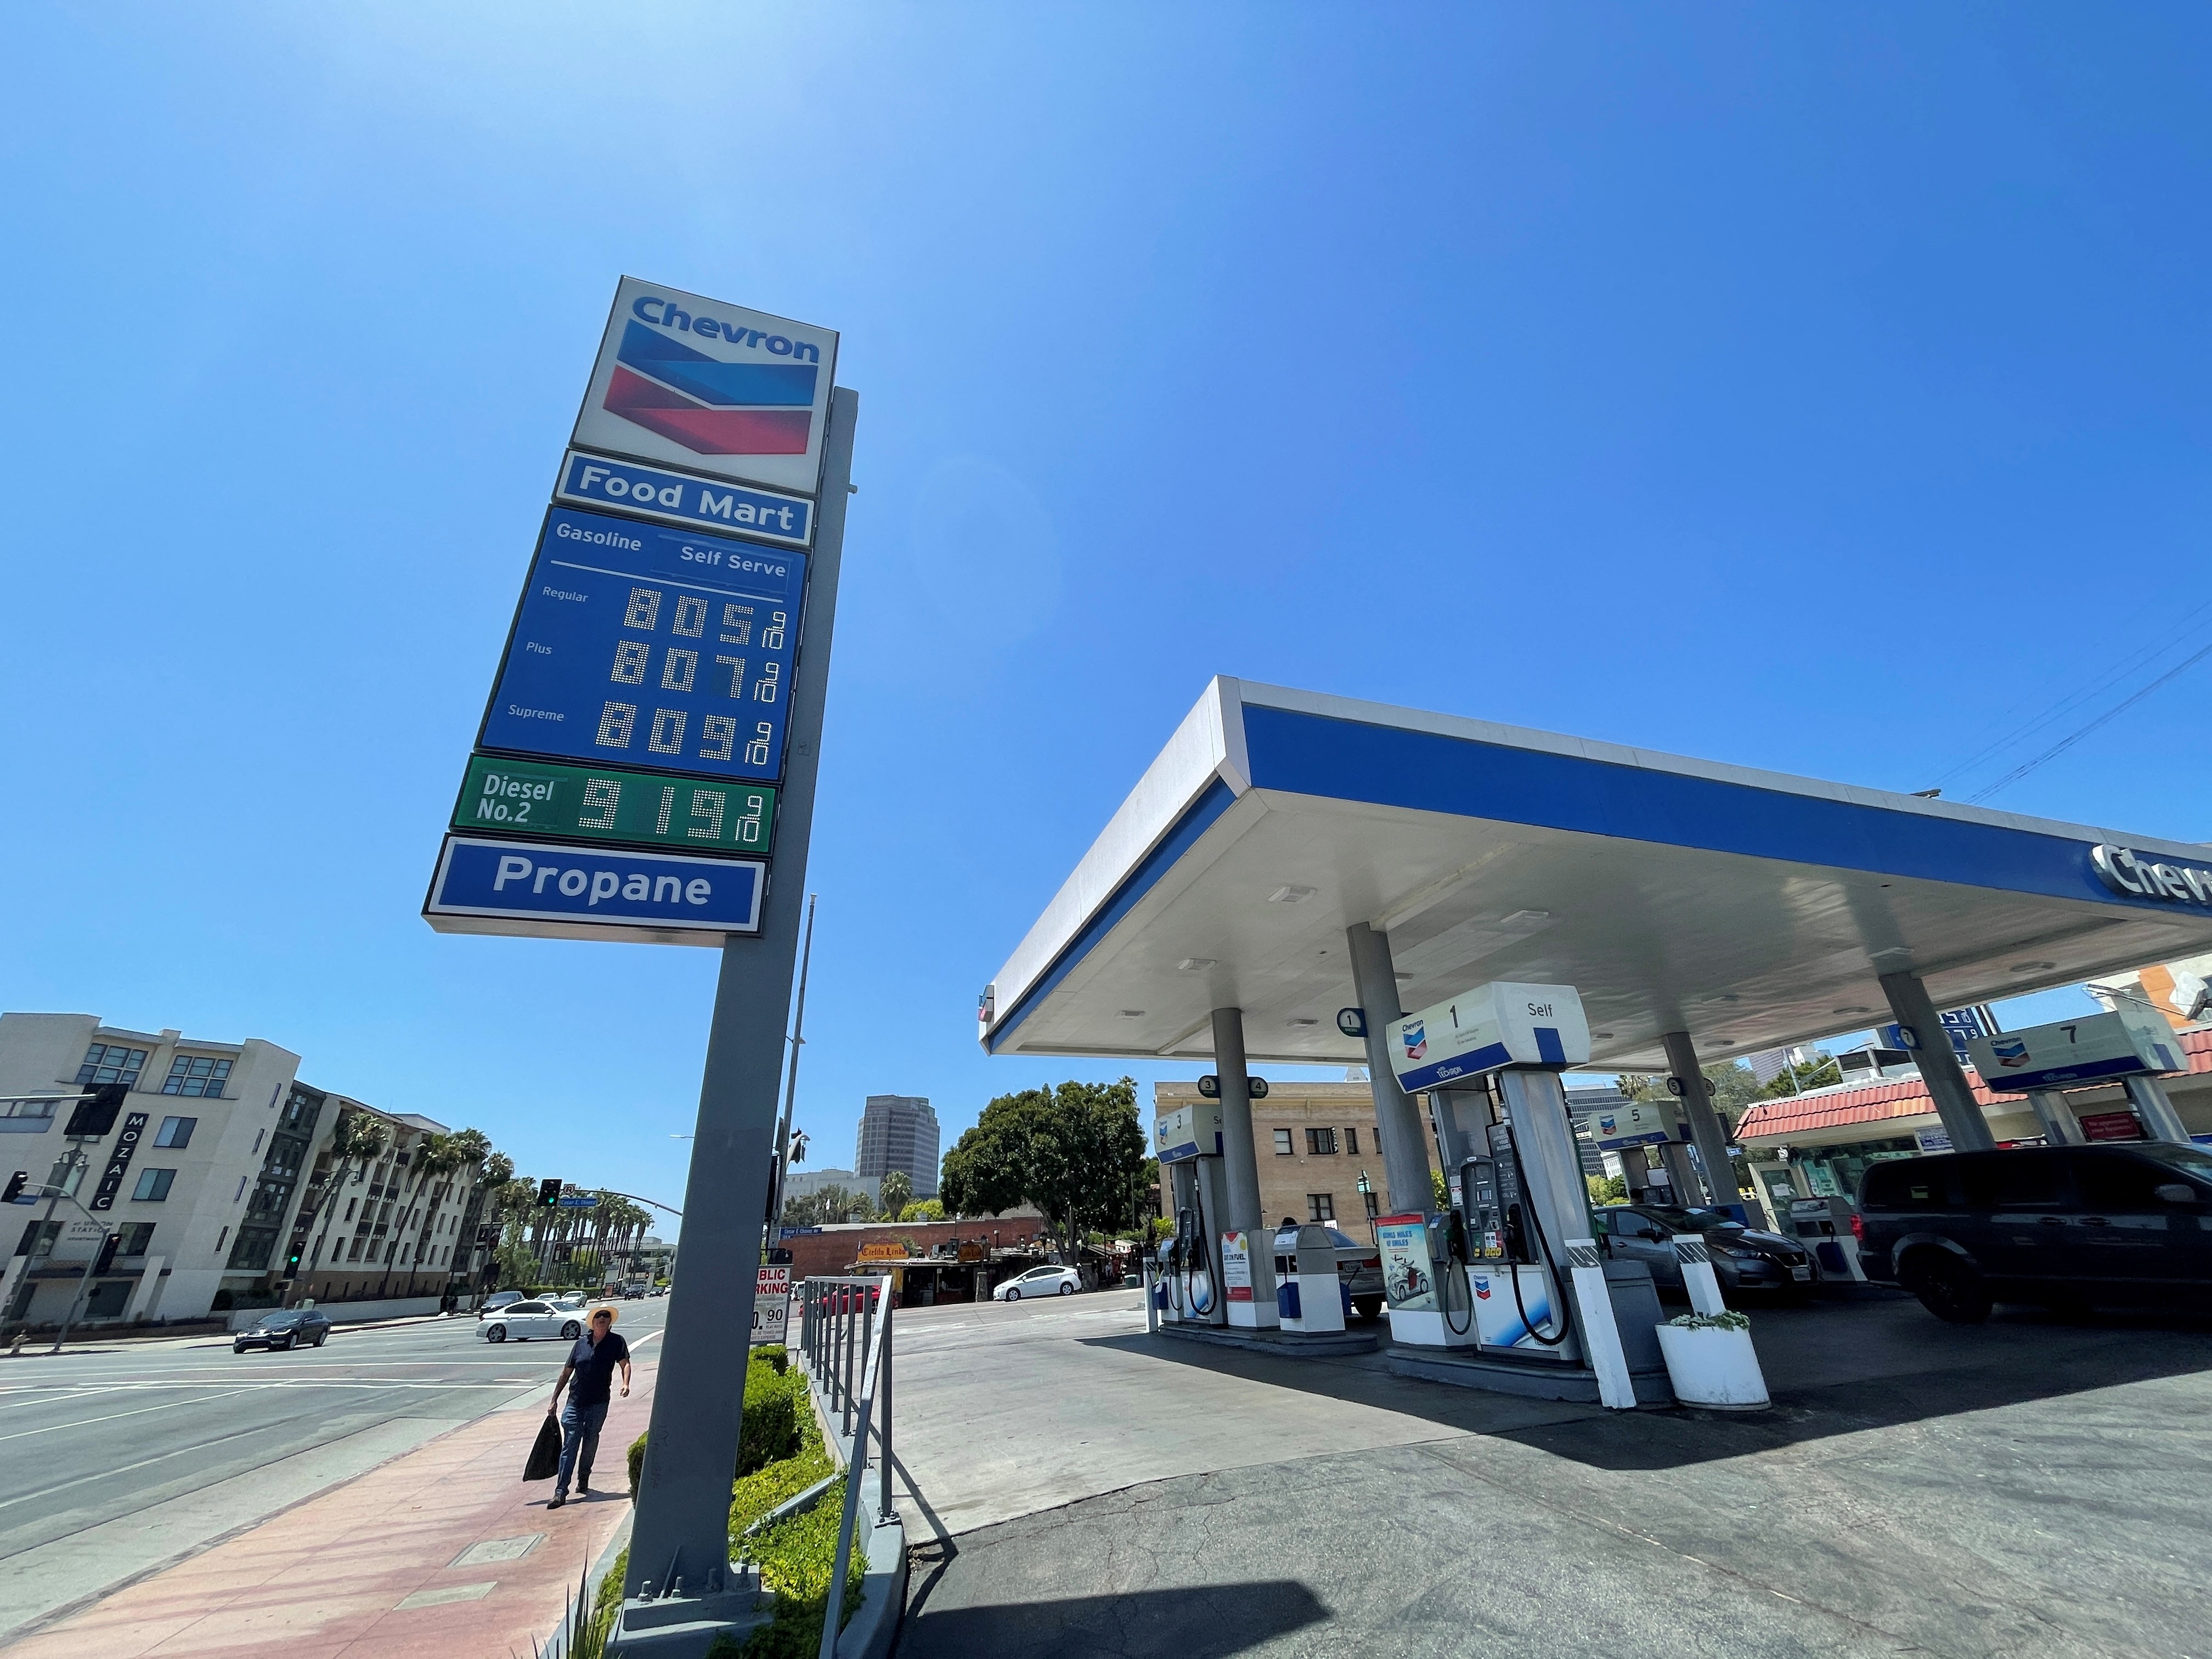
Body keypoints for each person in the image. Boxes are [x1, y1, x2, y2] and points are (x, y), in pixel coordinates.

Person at [545, 1305, 631, 1508]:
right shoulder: (581, 1344)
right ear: (592, 1322)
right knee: (571, 1443)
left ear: (610, 1322)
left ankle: (584, 1478)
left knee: (591, 1441)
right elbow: (566, 1373)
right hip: (575, 1401)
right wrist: (554, 1399)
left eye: (606, 1316)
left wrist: (626, 1383)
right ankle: (560, 1491)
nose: (602, 1319)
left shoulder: (616, 1342)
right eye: (599, 1316)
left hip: (599, 1402)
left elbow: (625, 1363)